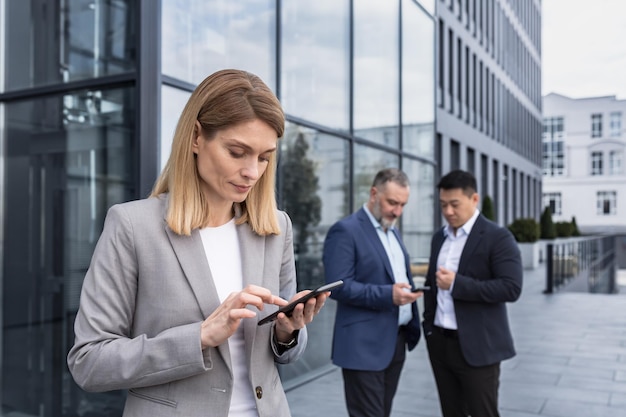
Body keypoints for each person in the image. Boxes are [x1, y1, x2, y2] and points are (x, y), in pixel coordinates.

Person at [67, 69, 329, 417]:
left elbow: (285, 354)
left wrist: (287, 330)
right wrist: (200, 336)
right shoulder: (133, 226)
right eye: (237, 152)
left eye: (264, 157)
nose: (253, 171)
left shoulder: (276, 228)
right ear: (195, 137)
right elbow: (90, 362)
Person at [322, 168, 423, 417]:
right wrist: (388, 295)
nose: (397, 211)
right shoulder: (345, 230)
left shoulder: (393, 231)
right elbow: (338, 286)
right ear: (374, 193)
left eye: (402, 205)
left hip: (395, 341)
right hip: (362, 346)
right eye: (392, 202)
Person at [422, 169, 523, 417]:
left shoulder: (498, 237)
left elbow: (511, 287)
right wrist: (428, 326)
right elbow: (432, 285)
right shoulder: (439, 238)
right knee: (451, 412)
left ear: (474, 199)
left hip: (478, 347)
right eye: (443, 205)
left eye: (454, 204)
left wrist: (457, 284)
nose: (448, 212)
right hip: (440, 344)